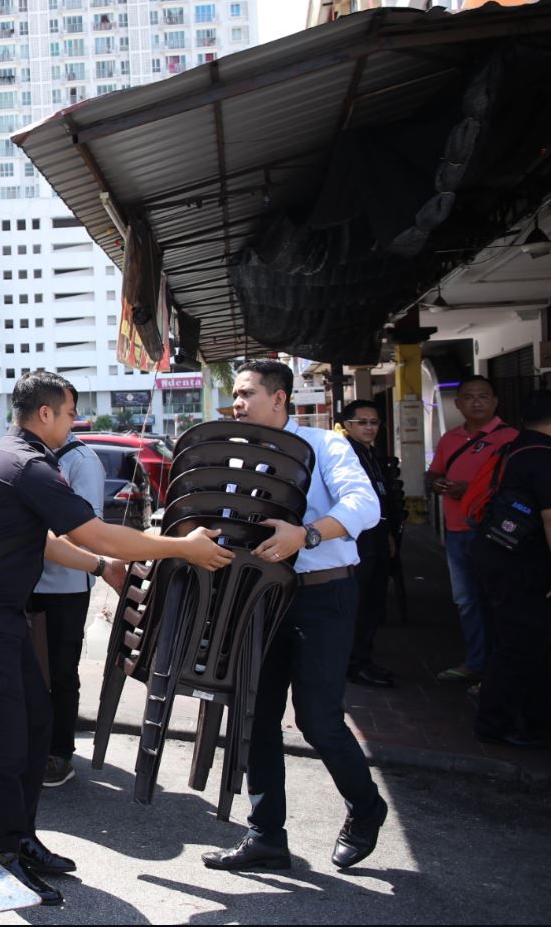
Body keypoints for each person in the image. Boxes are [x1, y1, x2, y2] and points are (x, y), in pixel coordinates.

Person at [0, 371, 232, 906]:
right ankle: (2, 851)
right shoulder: (26, 464)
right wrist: (180, 547)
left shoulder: (12, 456)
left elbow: (47, 541)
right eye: (70, 413)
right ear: (45, 414)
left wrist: (102, 566)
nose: (74, 423)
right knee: (2, 740)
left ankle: (21, 836)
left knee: (37, 723)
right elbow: (91, 528)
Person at [203, 360, 385, 874]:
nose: (236, 404)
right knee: (257, 715)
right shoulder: (244, 458)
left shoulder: (325, 446)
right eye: (235, 395)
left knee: (318, 718)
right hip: (262, 600)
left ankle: (366, 808)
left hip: (323, 597)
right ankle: (265, 835)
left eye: (245, 394)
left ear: (280, 398)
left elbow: (364, 506)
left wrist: (305, 535)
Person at [26, 382, 106, 789]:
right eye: (69, 411)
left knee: (60, 672)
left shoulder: (81, 461)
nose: (72, 418)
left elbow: (87, 531)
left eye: (72, 412)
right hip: (27, 583)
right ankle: (33, 743)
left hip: (67, 586)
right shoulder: (28, 456)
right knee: (29, 669)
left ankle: (60, 753)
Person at [471, 389, 551, 748]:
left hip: (499, 555)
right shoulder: (543, 456)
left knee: (520, 642)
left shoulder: (515, 448)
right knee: (522, 645)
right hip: (523, 564)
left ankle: (525, 719)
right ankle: (496, 723)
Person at [426, 376, 517, 686]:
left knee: (497, 600)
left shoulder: (511, 439)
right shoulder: (449, 439)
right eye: (469, 396)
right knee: (467, 601)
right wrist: (437, 484)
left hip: (494, 535)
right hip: (456, 532)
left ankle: (501, 668)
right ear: (458, 403)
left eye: (483, 396)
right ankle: (477, 663)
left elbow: (519, 490)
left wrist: (474, 491)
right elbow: (433, 474)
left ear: (495, 401)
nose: (476, 402)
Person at [339, 399, 404, 688]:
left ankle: (364, 659)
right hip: (358, 538)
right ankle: (354, 663)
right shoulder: (344, 455)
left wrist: (388, 532)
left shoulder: (372, 454)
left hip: (378, 535)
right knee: (361, 601)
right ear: (348, 425)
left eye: (374, 422)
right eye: (362, 422)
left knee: (375, 601)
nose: (369, 428)